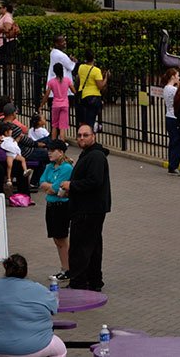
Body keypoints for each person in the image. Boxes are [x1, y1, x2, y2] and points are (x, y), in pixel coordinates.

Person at [0, 254, 66, 357]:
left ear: (5, 268)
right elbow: (54, 308)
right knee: (60, 350)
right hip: (31, 348)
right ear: (26, 271)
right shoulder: (39, 289)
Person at [59, 124, 111, 292]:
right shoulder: (89, 154)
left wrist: (71, 185)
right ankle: (94, 281)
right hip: (90, 207)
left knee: (80, 247)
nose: (81, 138)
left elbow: (94, 181)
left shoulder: (95, 156)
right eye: (79, 135)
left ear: (93, 136)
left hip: (89, 209)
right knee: (93, 245)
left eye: (85, 135)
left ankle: (79, 282)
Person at [38, 139, 74, 281]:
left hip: (61, 206)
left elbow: (54, 189)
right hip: (51, 205)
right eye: (48, 151)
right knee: (56, 239)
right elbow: (41, 182)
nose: (49, 153)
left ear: (61, 152)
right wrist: (49, 187)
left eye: (52, 151)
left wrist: (49, 187)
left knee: (62, 238)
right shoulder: (50, 166)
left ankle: (68, 269)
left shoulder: (66, 168)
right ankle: (64, 268)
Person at [0, 105, 34, 191]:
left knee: (22, 160)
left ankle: (25, 171)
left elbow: (14, 143)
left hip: (16, 152)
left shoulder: (0, 123)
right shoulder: (10, 130)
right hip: (11, 154)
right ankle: (9, 179)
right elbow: (28, 142)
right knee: (10, 165)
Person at [75, 50, 109, 130]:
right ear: (93, 58)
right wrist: (106, 78)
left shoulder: (81, 67)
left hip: (83, 96)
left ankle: (82, 135)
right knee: (91, 120)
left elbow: (79, 78)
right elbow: (100, 86)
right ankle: (89, 137)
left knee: (84, 119)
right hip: (93, 97)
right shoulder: (96, 71)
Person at [41, 62, 74, 141]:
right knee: (62, 126)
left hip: (55, 105)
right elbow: (74, 90)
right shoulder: (67, 80)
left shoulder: (51, 82)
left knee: (55, 125)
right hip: (65, 104)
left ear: (54, 71)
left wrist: (42, 104)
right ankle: (62, 144)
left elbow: (47, 95)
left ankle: (53, 143)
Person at [161, 67, 180, 175]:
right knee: (178, 142)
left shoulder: (166, 88)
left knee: (173, 141)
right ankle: (174, 165)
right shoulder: (173, 90)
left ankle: (172, 165)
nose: (179, 78)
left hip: (169, 116)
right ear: (173, 76)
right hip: (175, 117)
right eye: (178, 76)